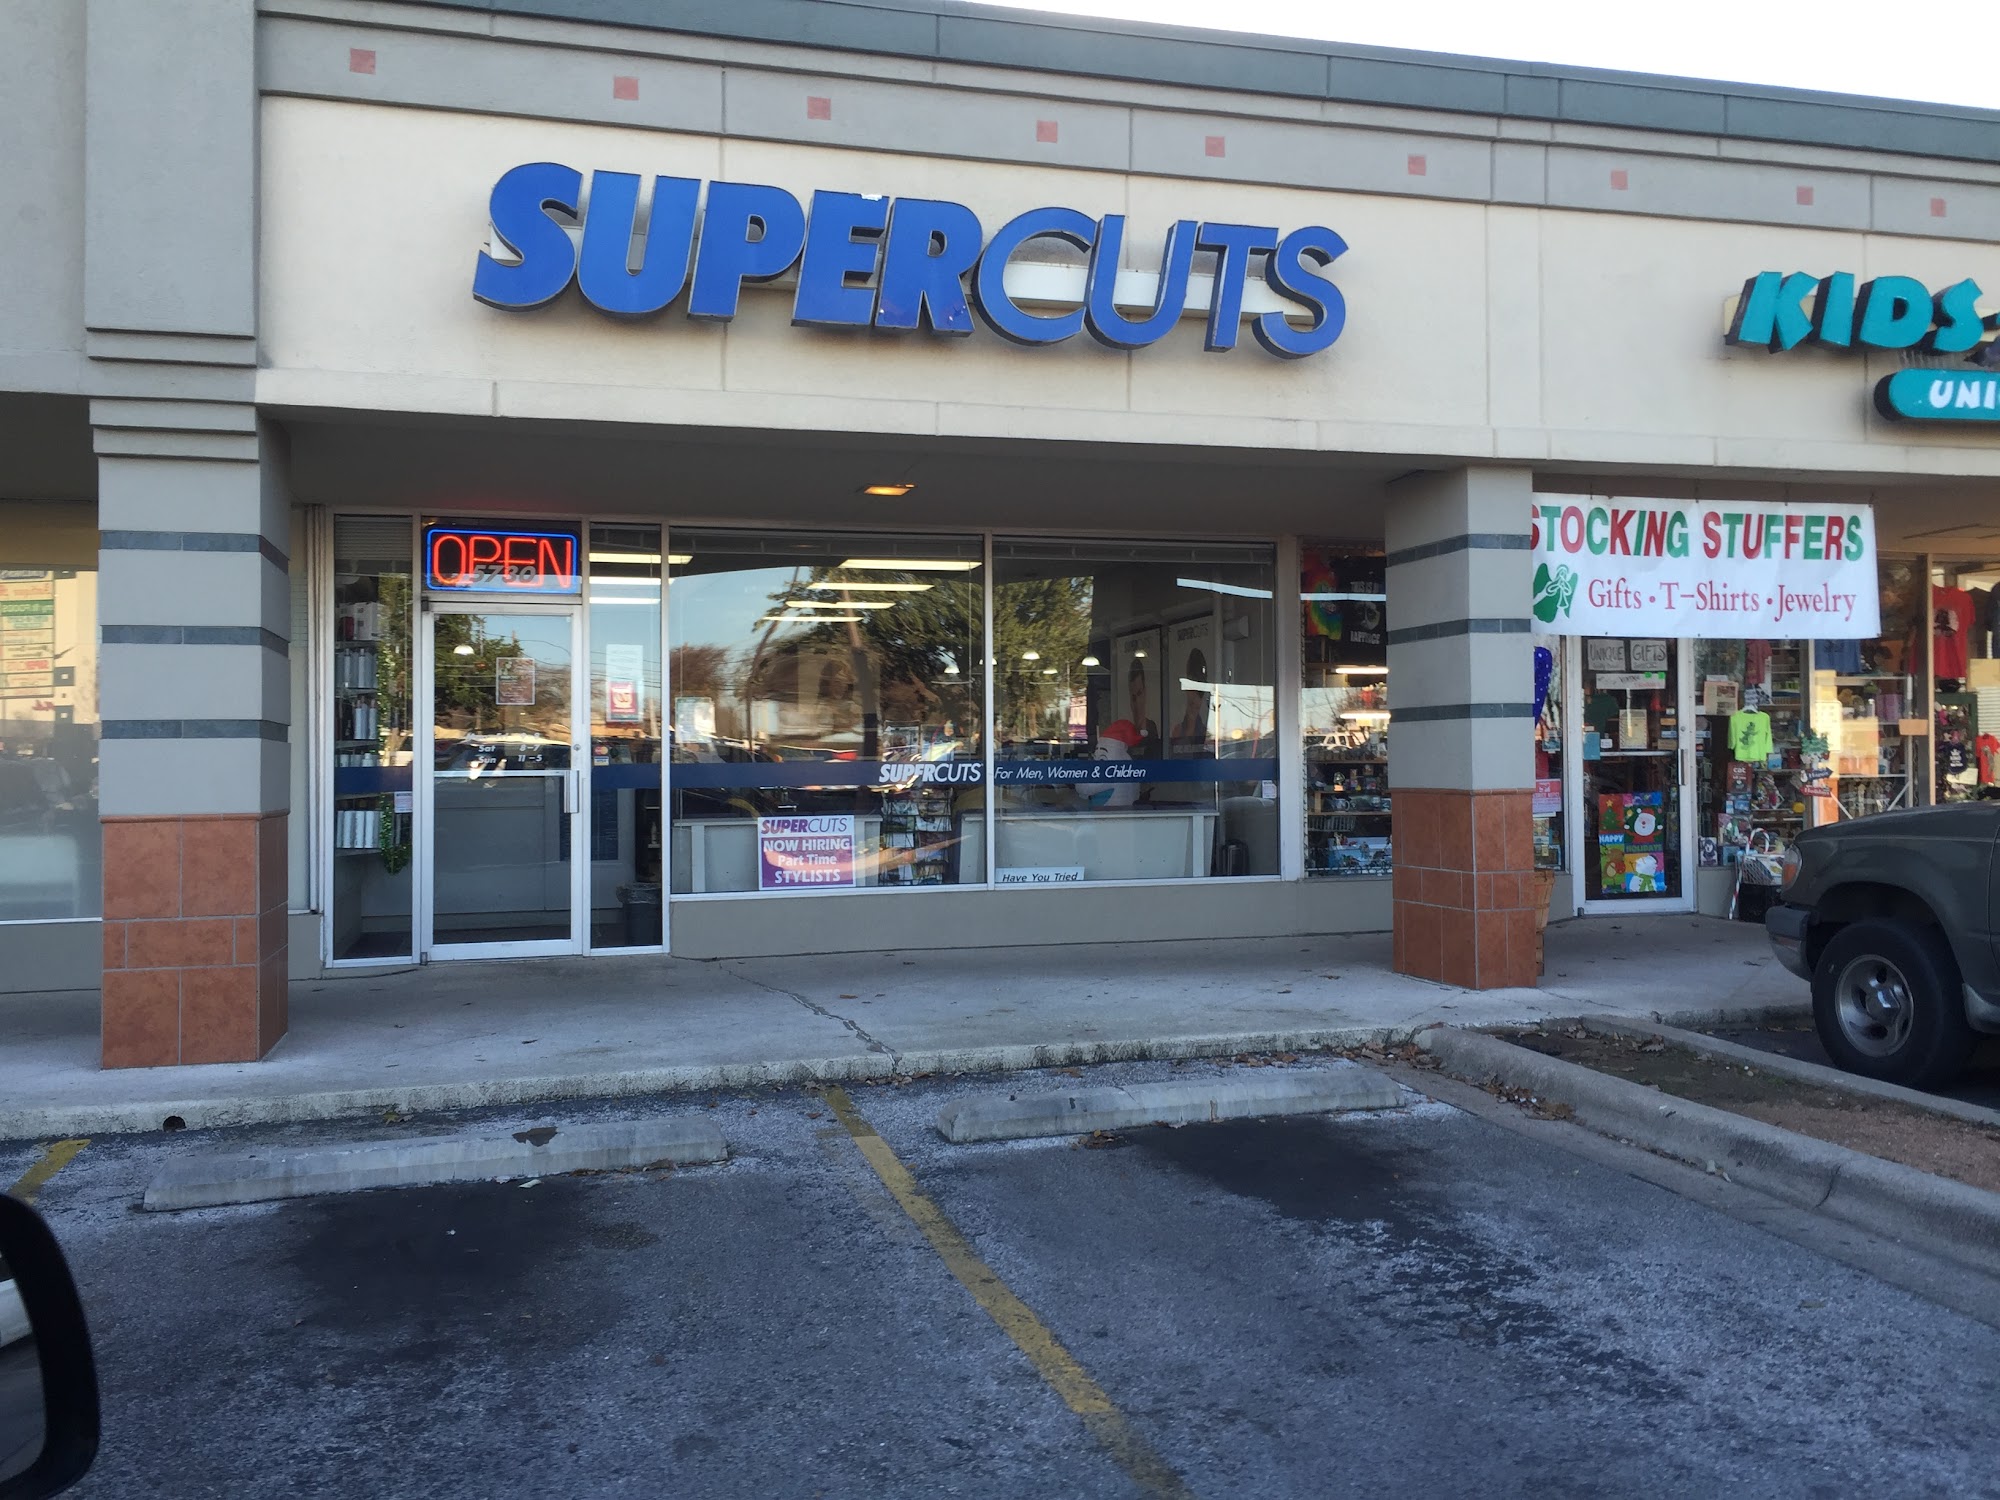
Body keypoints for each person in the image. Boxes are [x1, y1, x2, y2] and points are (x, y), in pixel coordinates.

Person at [1168, 647, 1212, 757]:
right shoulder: (1177, 731)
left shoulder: (1207, 734)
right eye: (1191, 687)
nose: (1194, 697)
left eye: (1199, 691)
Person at [1124, 658, 1160, 759]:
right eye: (1133, 697)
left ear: (1145, 693)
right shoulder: (1127, 732)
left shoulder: (1152, 729)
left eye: (1139, 694)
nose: (1137, 703)